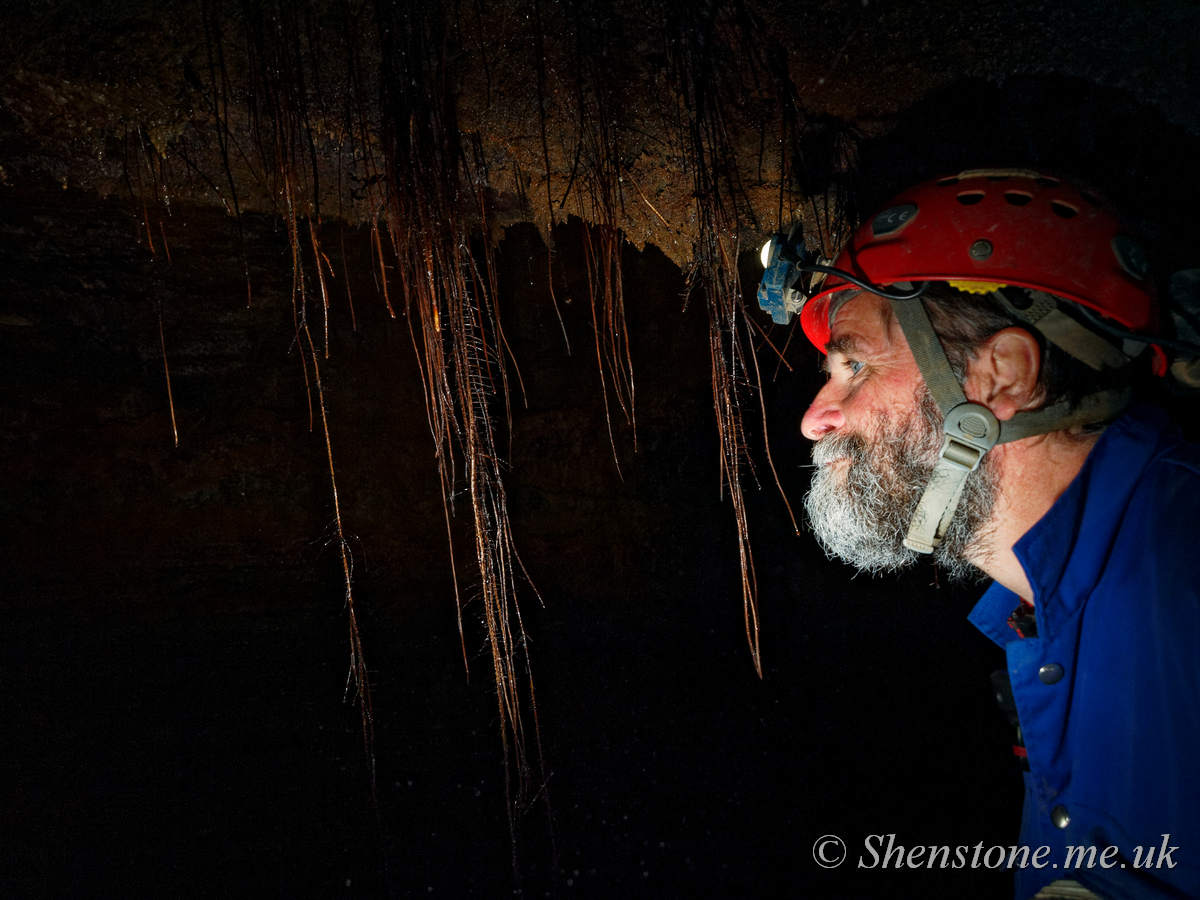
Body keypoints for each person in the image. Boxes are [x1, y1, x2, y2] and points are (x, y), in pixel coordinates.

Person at [762, 168, 1200, 900]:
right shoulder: (1059, 606)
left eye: (854, 364)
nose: (816, 417)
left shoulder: (1180, 584)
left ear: (1001, 377)